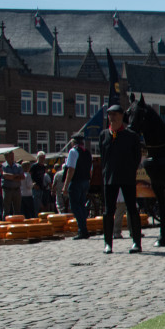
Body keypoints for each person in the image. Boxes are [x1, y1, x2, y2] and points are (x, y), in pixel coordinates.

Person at [98, 104, 143, 254]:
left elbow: (136, 157)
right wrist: (105, 173)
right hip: (110, 178)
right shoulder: (104, 135)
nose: (112, 118)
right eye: (110, 115)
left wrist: (130, 171)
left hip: (127, 177)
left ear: (121, 117)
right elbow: (103, 157)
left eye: (115, 115)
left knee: (132, 209)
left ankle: (136, 242)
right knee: (108, 211)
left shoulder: (131, 136)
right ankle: (108, 243)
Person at [62, 135, 92, 239]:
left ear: (73, 142)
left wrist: (65, 186)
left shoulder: (73, 151)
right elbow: (90, 170)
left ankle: (82, 230)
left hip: (76, 181)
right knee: (82, 205)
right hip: (85, 181)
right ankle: (84, 228)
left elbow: (71, 169)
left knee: (75, 206)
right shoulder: (87, 152)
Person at [0, 150, 23, 217]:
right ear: (6, 157)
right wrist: (16, 176)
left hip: (17, 190)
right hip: (7, 190)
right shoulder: (2, 166)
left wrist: (11, 176)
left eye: (12, 156)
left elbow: (22, 177)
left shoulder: (18, 166)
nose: (12, 158)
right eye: (10, 156)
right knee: (6, 209)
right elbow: (4, 175)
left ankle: (17, 224)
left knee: (17, 209)